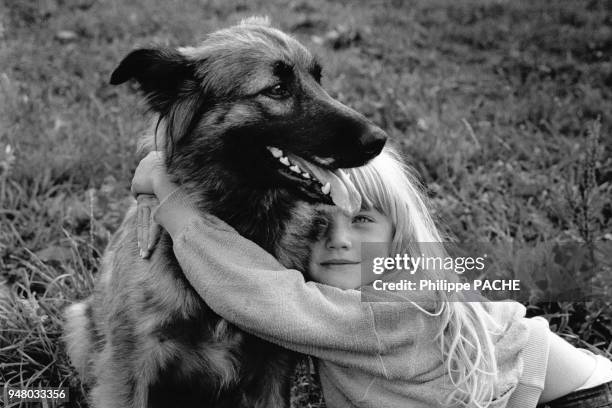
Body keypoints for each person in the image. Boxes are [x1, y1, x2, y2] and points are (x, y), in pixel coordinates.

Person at [131, 147, 612, 408]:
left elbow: (256, 292)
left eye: (362, 221)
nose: (339, 240)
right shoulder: (353, 295)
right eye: (319, 225)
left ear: (398, 235)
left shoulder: (392, 306)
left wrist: (177, 208)